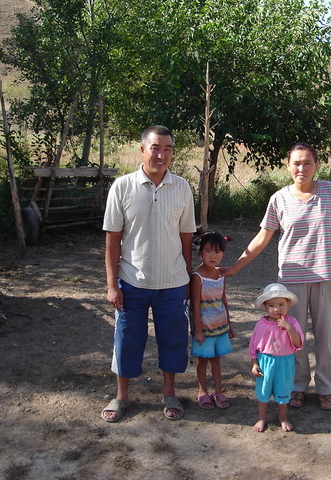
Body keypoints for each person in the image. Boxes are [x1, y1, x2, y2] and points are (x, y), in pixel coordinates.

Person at [223, 142, 331, 411]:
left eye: (307, 163)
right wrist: (235, 267)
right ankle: (298, 386)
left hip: (326, 276)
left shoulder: (329, 191)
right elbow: (262, 238)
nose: (301, 168)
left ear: (316, 165)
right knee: (293, 337)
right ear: (287, 165)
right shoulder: (278, 199)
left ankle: (325, 387)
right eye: (296, 163)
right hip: (291, 282)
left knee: (324, 338)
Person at [101, 125, 196, 423]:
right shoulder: (122, 187)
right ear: (142, 150)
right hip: (132, 282)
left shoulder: (182, 187)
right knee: (128, 339)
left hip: (173, 283)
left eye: (168, 148)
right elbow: (112, 240)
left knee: (173, 340)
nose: (162, 154)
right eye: (156, 147)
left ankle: (169, 393)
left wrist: (189, 279)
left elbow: (186, 239)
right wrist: (112, 284)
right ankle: (122, 396)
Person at [249, 283, 304, 432]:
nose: (277, 309)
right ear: (265, 307)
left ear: (288, 304)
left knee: (283, 390)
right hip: (265, 361)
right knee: (263, 391)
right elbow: (254, 345)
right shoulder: (262, 323)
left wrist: (288, 328)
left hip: (284, 362)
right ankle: (261, 417)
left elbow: (298, 343)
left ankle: (283, 417)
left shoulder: (292, 322)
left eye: (281, 304)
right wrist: (254, 363)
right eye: (272, 305)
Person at [190, 232, 235, 410]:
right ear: (200, 253)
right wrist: (198, 330)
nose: (213, 256)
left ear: (223, 254)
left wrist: (229, 325)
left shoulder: (221, 274)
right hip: (204, 329)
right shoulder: (197, 276)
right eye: (208, 251)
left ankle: (218, 391)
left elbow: (223, 299)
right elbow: (195, 304)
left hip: (220, 327)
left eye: (217, 252)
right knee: (202, 361)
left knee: (216, 360)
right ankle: (202, 391)